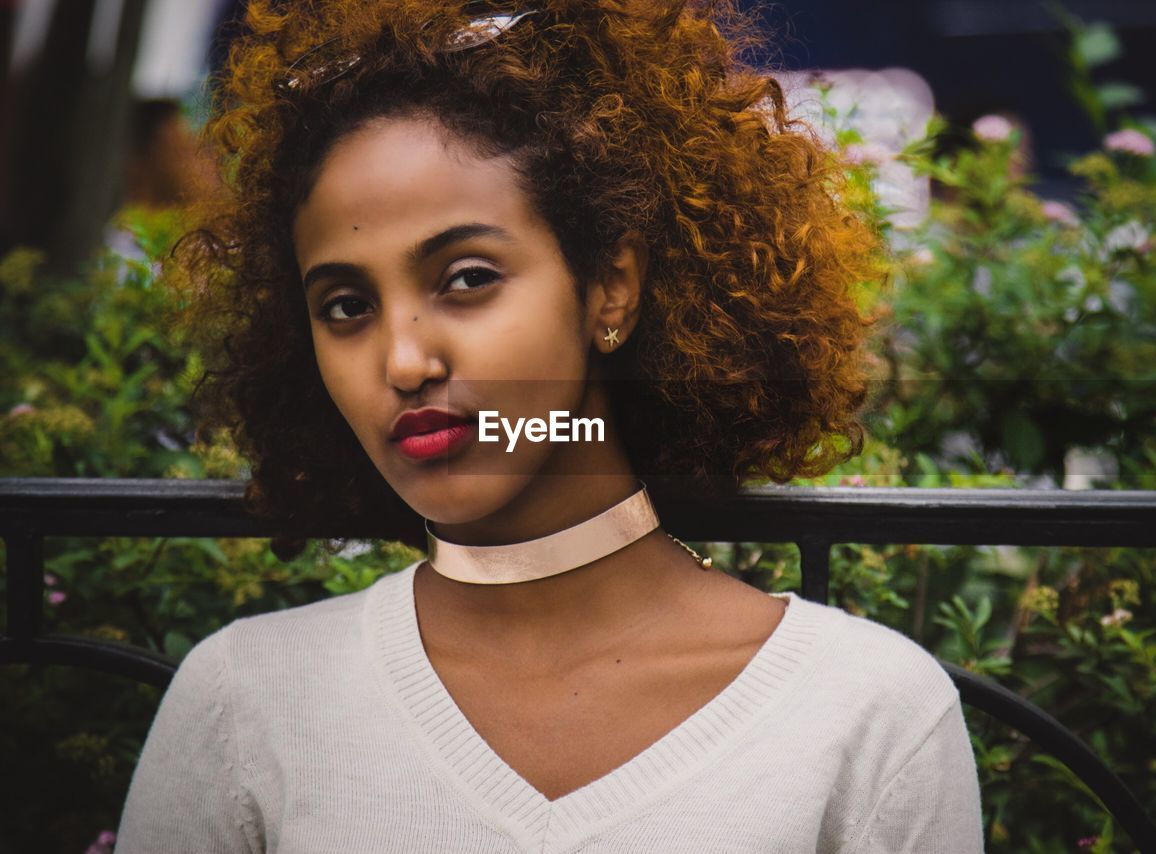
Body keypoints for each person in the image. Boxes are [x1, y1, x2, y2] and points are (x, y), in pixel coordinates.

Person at [115, 0, 984, 850]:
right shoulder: (243, 704)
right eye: (345, 305)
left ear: (611, 288)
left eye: (465, 278)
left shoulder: (867, 716)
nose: (403, 361)